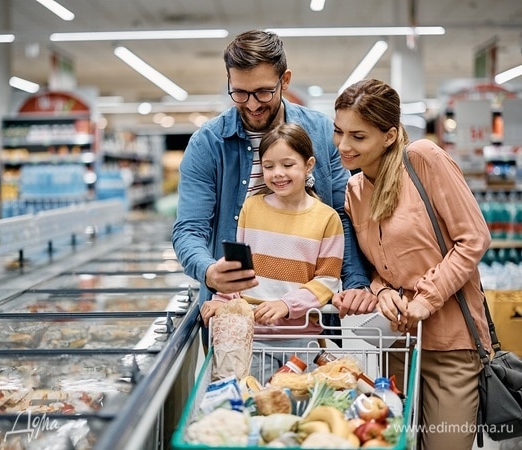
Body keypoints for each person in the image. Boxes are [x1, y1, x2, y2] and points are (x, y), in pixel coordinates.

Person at [172, 29, 373, 332]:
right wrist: (210, 271)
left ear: (285, 80)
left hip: (310, 317)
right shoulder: (208, 143)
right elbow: (189, 229)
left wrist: (357, 284)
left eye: (264, 92)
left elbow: (342, 217)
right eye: (239, 92)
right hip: (236, 317)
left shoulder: (321, 133)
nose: (252, 105)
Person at [331, 78, 492, 450]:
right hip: (398, 347)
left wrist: (426, 299)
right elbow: (379, 267)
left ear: (388, 136)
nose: (343, 146)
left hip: (452, 346)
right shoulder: (354, 192)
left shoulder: (423, 159)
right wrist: (382, 291)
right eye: (339, 132)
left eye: (358, 136)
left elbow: (474, 238)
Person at [200, 123, 344, 339]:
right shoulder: (251, 207)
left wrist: (287, 304)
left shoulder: (327, 218)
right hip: (250, 333)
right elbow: (239, 267)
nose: (278, 174)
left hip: (299, 336)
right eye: (269, 166)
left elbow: (327, 281)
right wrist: (222, 299)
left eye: (287, 165)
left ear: (309, 165)